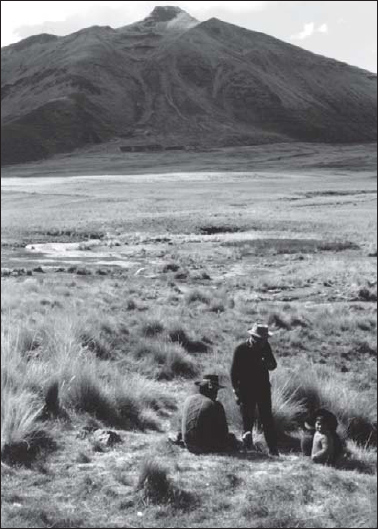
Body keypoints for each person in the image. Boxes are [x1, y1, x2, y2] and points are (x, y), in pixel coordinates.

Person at [231, 323, 279, 456]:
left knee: (267, 419)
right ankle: (247, 449)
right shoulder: (240, 349)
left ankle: (273, 450)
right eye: (262, 339)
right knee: (247, 420)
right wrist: (236, 391)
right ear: (254, 337)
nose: (264, 342)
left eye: (265, 340)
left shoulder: (265, 347)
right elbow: (234, 373)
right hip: (246, 390)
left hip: (263, 389)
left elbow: (273, 365)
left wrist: (266, 363)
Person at [171, 374, 239, 454]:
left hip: (188, 443)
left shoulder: (188, 399)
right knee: (231, 438)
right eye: (216, 390)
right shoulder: (215, 404)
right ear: (212, 390)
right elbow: (223, 432)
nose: (216, 394)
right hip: (204, 447)